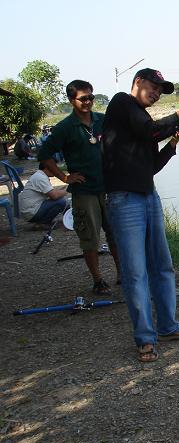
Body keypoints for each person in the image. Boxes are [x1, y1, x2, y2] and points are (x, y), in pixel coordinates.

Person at [103, 68, 179, 362]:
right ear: (138, 82)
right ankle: (145, 338)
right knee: (135, 272)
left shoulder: (143, 121)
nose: (156, 93)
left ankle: (168, 326)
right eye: (153, 87)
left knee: (163, 266)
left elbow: (151, 165)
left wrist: (174, 142)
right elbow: (149, 130)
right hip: (124, 200)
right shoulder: (121, 104)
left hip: (148, 196)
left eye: (160, 90)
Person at [38, 79, 121, 295]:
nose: (88, 102)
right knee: (89, 239)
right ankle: (98, 280)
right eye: (83, 98)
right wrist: (65, 178)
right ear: (71, 100)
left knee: (116, 235)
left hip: (108, 188)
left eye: (91, 97)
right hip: (84, 192)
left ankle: (123, 275)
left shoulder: (102, 120)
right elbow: (44, 155)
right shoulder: (65, 127)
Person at [18, 161, 68, 226]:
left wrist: (65, 189)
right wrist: (69, 190)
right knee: (61, 202)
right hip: (31, 212)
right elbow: (54, 196)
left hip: (31, 210)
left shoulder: (40, 175)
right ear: (47, 168)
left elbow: (51, 192)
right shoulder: (40, 178)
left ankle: (68, 217)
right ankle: (43, 223)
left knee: (61, 199)